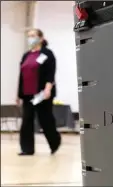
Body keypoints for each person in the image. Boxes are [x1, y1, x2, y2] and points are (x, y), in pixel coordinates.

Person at [16, 28, 61, 156]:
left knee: (45, 120)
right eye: (29, 36)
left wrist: (47, 89)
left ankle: (55, 142)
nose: (31, 38)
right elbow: (22, 76)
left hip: (42, 94)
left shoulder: (47, 54)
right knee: (26, 121)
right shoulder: (26, 55)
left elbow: (50, 74)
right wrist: (18, 95)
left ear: (41, 38)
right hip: (27, 94)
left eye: (33, 35)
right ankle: (27, 149)